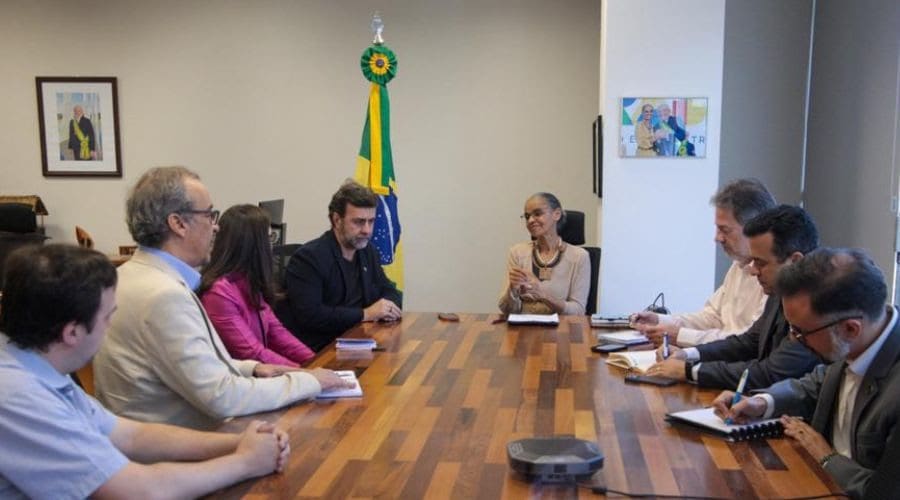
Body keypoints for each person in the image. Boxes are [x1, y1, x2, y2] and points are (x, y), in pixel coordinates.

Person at [0, 244, 292, 498]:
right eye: (107, 317)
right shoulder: (18, 395)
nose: (110, 327)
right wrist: (245, 462)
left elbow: (131, 436)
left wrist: (238, 443)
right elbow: (140, 491)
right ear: (72, 332)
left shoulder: (35, 368)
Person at [93, 166, 349, 430]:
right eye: (209, 215)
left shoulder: (126, 276)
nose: (216, 227)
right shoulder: (164, 295)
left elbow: (179, 366)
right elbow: (222, 398)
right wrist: (310, 382)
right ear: (178, 223)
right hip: (177, 448)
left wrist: (251, 368)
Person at [713, 248, 900, 500]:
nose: (794, 339)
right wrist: (761, 401)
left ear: (850, 329)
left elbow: (883, 493)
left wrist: (827, 457)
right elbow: (818, 383)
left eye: (801, 332)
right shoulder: (857, 341)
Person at [645, 205, 822, 390]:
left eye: (761, 263)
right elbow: (749, 342)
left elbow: (770, 372)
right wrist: (690, 354)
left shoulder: (820, 306)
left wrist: (690, 370)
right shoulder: (781, 289)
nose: (753, 271)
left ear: (795, 261)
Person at [630, 179, 774, 347]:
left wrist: (681, 336)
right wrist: (660, 320)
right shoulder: (738, 264)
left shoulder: (773, 278)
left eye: (724, 230)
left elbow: (747, 340)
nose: (717, 238)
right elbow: (712, 317)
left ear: (754, 228)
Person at [278, 180, 402, 351]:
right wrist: (365, 314)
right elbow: (311, 315)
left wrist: (388, 308)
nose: (367, 230)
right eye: (359, 222)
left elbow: (389, 290)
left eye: (371, 221)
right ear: (337, 220)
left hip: (361, 340)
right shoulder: (309, 258)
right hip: (322, 350)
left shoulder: (367, 252)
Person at [200, 204, 315, 367]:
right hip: (242, 383)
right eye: (268, 239)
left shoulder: (249, 282)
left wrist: (316, 362)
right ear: (253, 245)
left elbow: (278, 333)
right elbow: (252, 353)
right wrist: (307, 374)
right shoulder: (219, 293)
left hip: (261, 377)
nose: (272, 246)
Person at [498, 192, 590, 316]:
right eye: (527, 216)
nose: (530, 220)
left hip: (561, 331)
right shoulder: (517, 252)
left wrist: (543, 295)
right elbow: (506, 310)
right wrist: (512, 290)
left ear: (556, 214)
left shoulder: (579, 256)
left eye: (537, 214)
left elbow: (578, 311)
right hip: (522, 330)